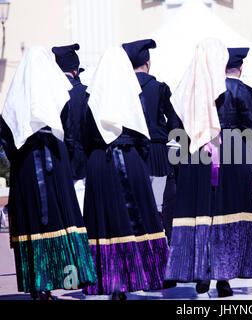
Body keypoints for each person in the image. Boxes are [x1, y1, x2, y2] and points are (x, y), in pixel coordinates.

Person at [164, 40, 252, 298]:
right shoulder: (243, 91)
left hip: (195, 158)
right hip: (234, 156)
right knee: (228, 215)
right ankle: (224, 277)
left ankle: (201, 274)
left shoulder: (186, 91)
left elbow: (174, 130)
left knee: (201, 215)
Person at [0, 46, 97, 300]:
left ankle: (37, 285)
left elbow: (7, 140)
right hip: (55, 162)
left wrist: (19, 162)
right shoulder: (59, 95)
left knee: (32, 223)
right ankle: (68, 277)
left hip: (26, 168)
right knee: (62, 220)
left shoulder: (14, 101)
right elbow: (69, 130)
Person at [81, 46, 169, 300]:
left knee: (105, 221)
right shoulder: (133, 95)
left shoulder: (92, 99)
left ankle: (111, 280)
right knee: (138, 217)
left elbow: (84, 135)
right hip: (130, 159)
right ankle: (139, 275)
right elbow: (144, 134)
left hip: (100, 162)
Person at [122, 39, 180, 243]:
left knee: (135, 203)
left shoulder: (122, 88)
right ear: (147, 64)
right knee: (158, 206)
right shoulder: (159, 87)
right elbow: (175, 124)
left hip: (130, 152)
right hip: (157, 153)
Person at [52, 44, 89, 214]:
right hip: (80, 160)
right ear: (75, 70)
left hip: (54, 158)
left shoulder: (47, 91)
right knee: (79, 205)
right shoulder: (82, 92)